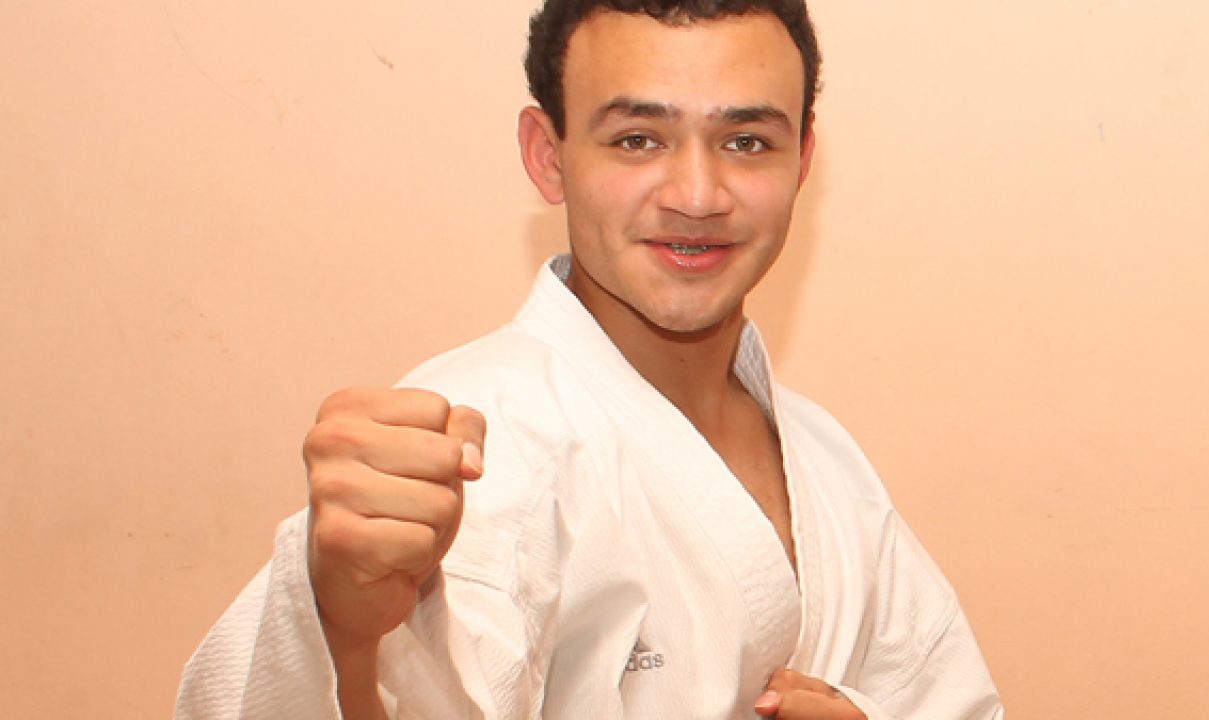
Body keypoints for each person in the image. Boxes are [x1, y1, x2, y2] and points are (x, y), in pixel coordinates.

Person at [176, 1, 1005, 718]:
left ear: (802, 162)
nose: (697, 196)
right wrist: (345, 633)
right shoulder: (472, 445)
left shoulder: (829, 462)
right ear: (549, 155)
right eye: (638, 139)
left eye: (747, 141)